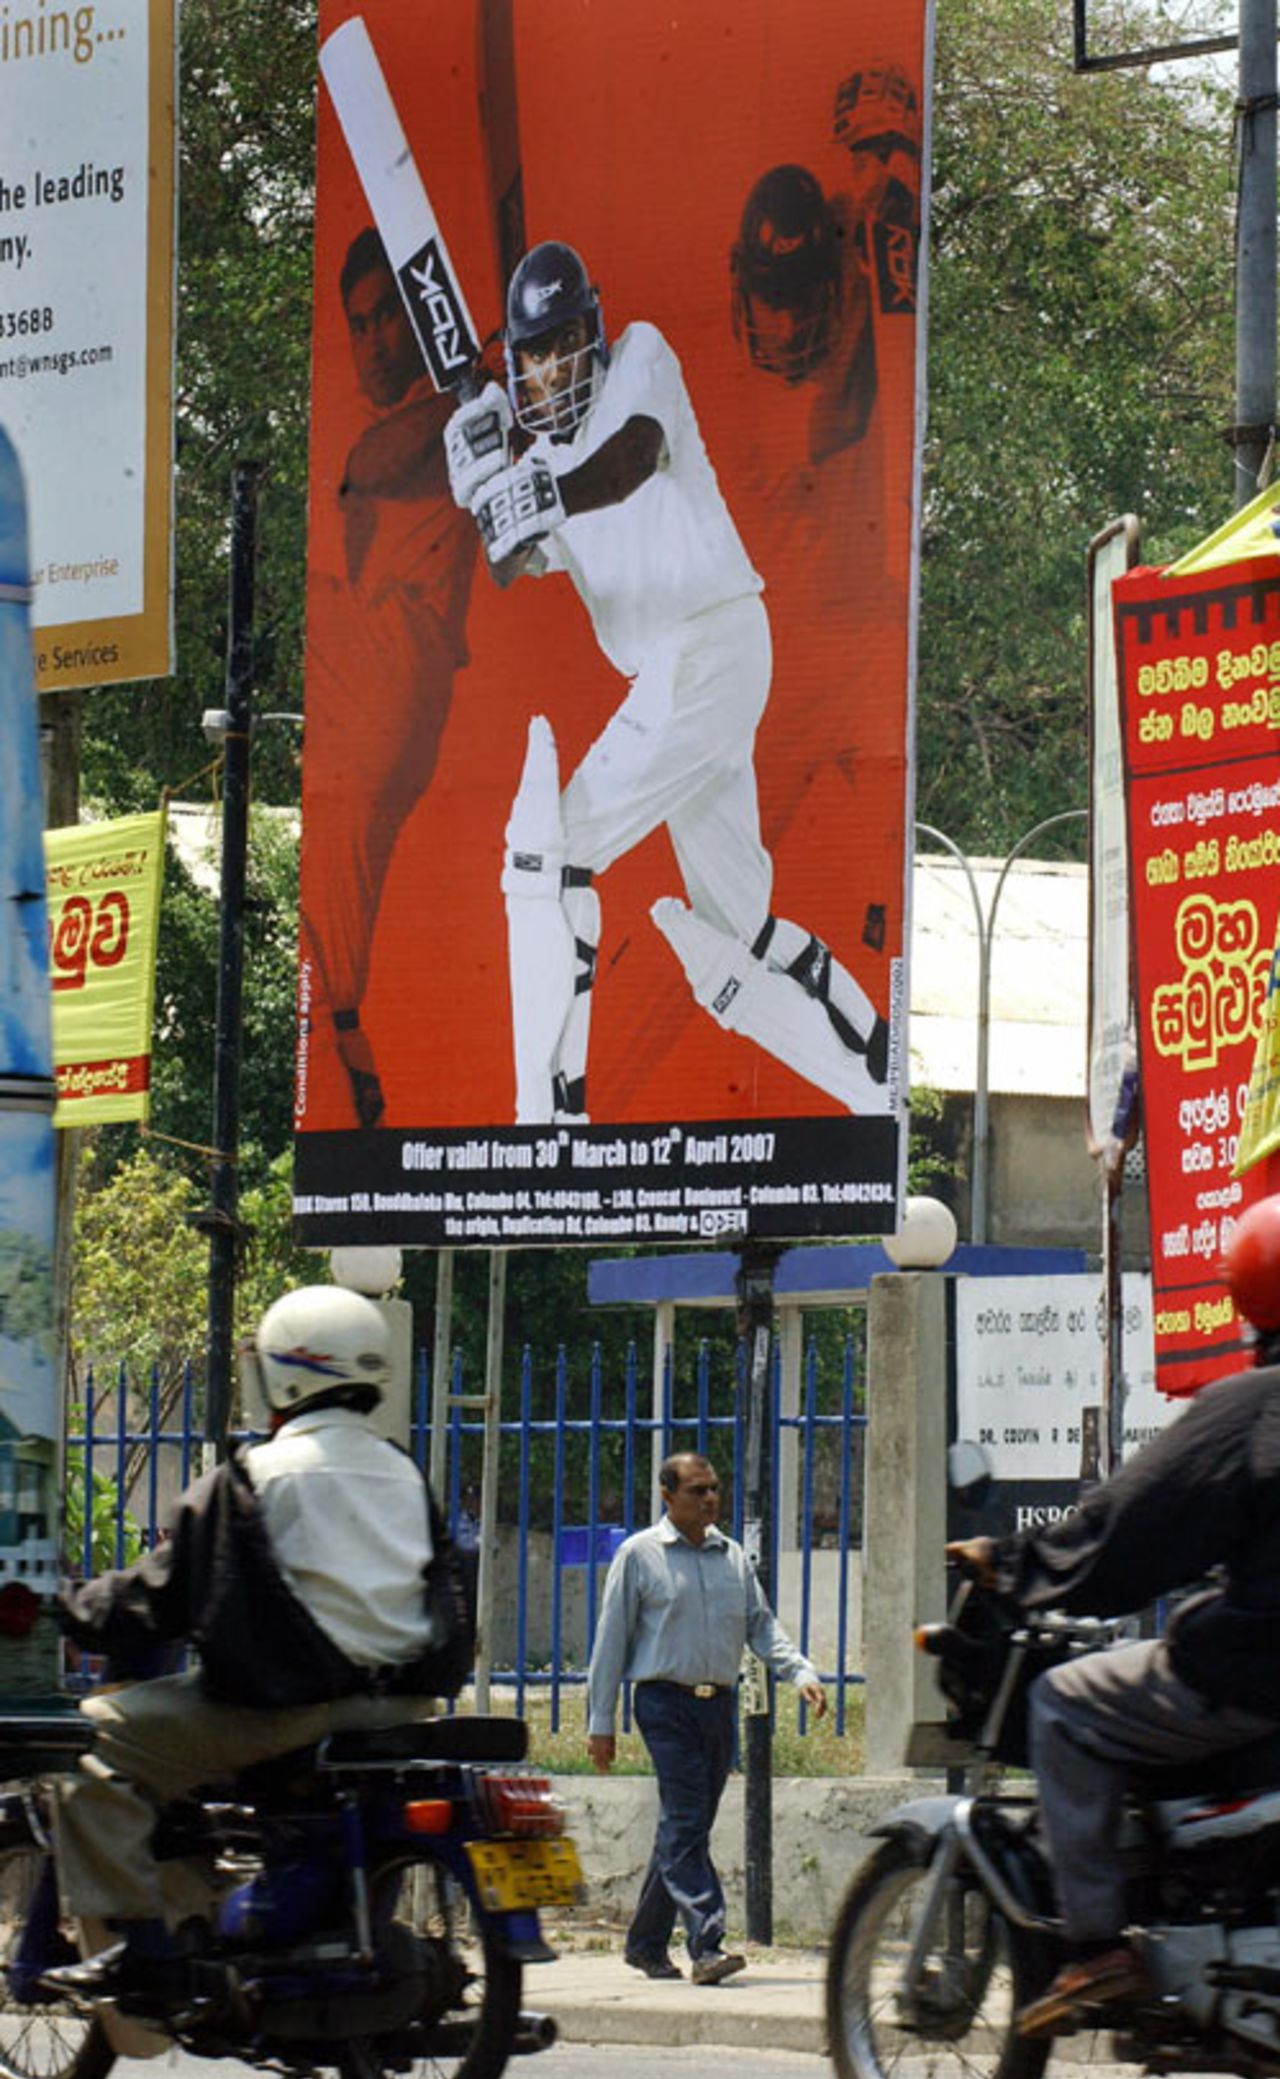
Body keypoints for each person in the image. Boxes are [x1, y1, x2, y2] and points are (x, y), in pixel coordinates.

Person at [442, 239, 892, 1126]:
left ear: (594, 334)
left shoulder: (641, 361)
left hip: (706, 645)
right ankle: (876, 1073)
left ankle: (554, 1108)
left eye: (567, 342)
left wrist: (532, 492)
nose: (555, 366)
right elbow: (508, 563)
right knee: (741, 932)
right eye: (536, 353)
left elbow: (629, 460)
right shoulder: (539, 467)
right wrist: (483, 491)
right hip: (695, 673)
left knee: (551, 854)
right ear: (518, 368)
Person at [43, 1285, 448, 2006]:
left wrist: (65, 1606)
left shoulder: (256, 1475)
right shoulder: (405, 1473)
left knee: (89, 1742)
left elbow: (157, 1597)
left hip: (291, 1709)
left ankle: (140, 1950)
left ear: (281, 1374)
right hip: (400, 1706)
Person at [947, 1192, 1280, 2041]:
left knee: (1066, 1701)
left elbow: (1132, 1529)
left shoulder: (1250, 1406)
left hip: (1256, 1671)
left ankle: (1096, 1946)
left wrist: (1020, 1564)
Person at [302, 226, 477, 1128]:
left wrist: (475, 393)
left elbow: (370, 468)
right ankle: (353, 1066)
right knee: (335, 889)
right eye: (356, 324)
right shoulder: (441, 413)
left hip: (398, 663)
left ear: (417, 328)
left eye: (385, 321)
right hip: (384, 707)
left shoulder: (448, 415)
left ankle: (346, 1049)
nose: (371, 341)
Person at [585, 1451, 826, 1986]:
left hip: (717, 1705)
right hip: (663, 1703)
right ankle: (707, 1943)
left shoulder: (732, 1557)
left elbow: (761, 1627)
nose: (710, 1499)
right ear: (668, 1496)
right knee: (688, 1818)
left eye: (715, 1488)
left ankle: (646, 1944)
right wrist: (600, 1722)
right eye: (697, 1490)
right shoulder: (639, 1556)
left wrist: (801, 1673)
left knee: (685, 1824)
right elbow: (611, 1642)